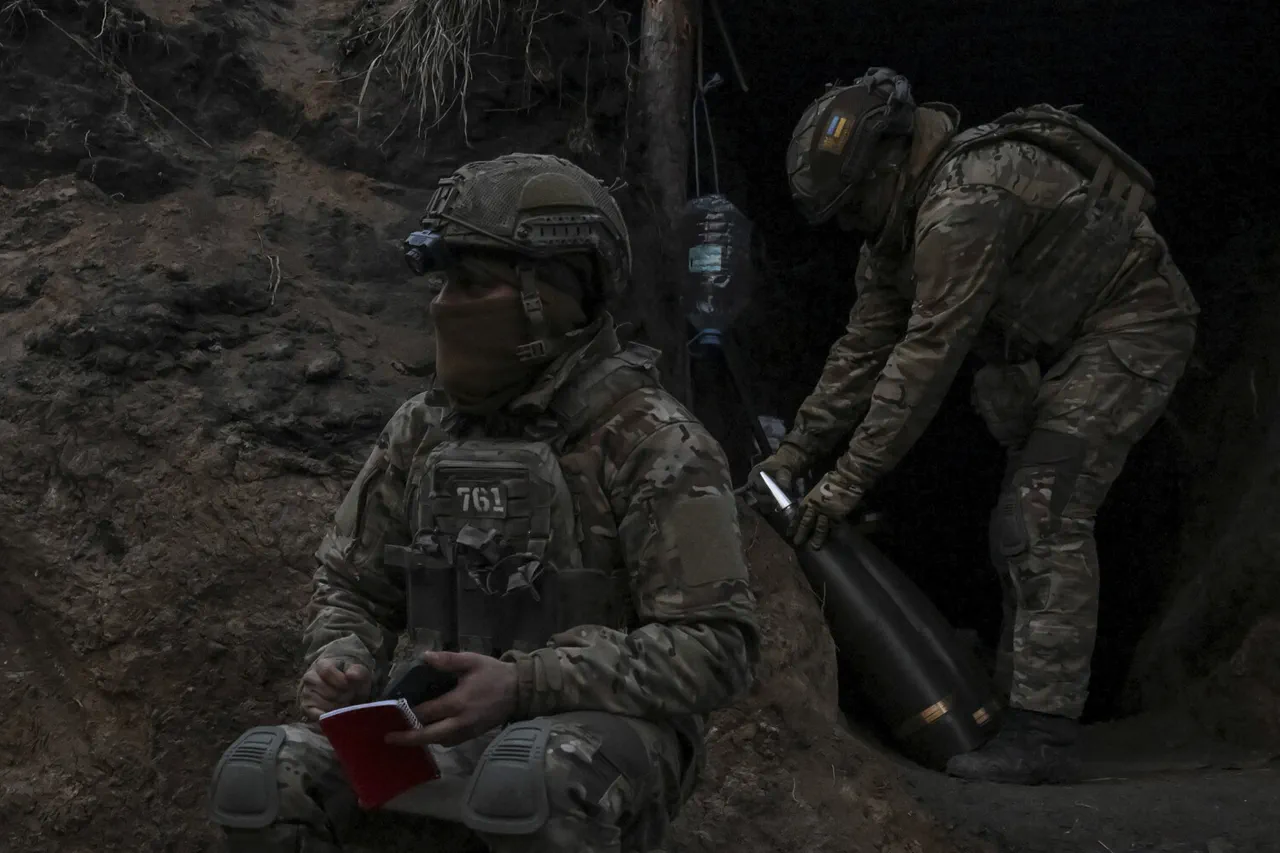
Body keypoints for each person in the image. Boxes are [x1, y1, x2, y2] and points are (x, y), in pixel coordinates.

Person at [208, 153, 760, 851]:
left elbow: (717, 647)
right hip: (434, 727)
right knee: (263, 776)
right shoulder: (423, 428)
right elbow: (351, 586)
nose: (445, 304)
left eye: (471, 284)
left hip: (601, 732)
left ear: (550, 298)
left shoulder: (651, 440)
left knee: (525, 781)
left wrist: (526, 683)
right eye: (442, 282)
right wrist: (343, 659)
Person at [753, 68, 1198, 784]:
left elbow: (925, 359)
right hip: (1050, 344)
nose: (849, 225)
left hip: (1130, 325)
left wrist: (844, 482)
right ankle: (1018, 704)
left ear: (889, 163)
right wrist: (796, 451)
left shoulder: (966, 202)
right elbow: (861, 350)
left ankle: (1044, 734)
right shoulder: (895, 230)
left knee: (1042, 514)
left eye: (853, 204)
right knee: (1019, 523)